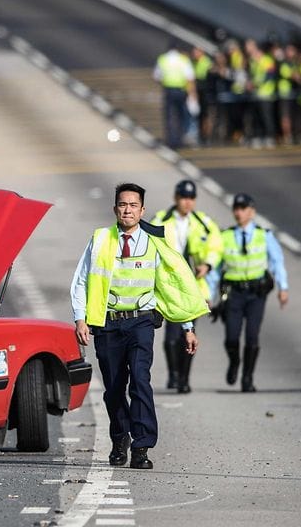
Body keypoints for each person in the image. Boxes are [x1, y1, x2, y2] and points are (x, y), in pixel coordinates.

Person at [71, 183, 208, 470]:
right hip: (108, 324)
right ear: (115, 209)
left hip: (141, 321)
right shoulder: (100, 239)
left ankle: (142, 446)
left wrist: (188, 326)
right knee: (114, 387)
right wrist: (80, 318)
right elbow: (82, 280)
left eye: (133, 205)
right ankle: (120, 439)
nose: (128, 210)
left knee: (141, 381)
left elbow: (172, 287)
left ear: (142, 210)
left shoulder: (154, 241)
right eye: (123, 204)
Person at [149, 179, 223, 393]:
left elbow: (216, 245)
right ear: (176, 198)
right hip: (169, 283)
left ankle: (184, 378)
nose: (187, 202)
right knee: (172, 335)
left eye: (191, 198)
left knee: (189, 333)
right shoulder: (162, 219)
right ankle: (174, 372)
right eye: (183, 198)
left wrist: (207, 265)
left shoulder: (204, 222)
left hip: (194, 283)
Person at [212, 193, 289, 392]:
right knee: (231, 336)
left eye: (243, 208)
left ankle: (247, 378)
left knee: (253, 335)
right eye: (236, 209)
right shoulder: (225, 236)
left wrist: (283, 287)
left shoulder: (264, 235)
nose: (239, 212)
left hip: (256, 293)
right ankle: (234, 362)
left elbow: (277, 261)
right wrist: (208, 294)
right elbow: (216, 266)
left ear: (252, 212)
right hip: (233, 292)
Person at [153, 42, 196, 149]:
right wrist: (192, 95)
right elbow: (190, 78)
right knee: (181, 115)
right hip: (181, 90)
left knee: (168, 116)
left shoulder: (163, 59)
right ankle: (179, 139)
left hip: (168, 90)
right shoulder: (183, 59)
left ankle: (170, 139)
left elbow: (157, 76)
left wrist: (165, 82)